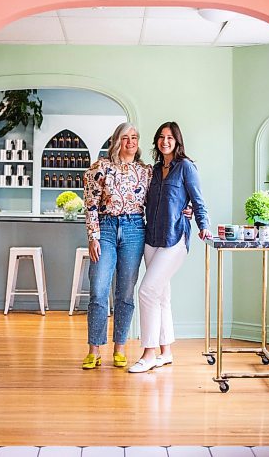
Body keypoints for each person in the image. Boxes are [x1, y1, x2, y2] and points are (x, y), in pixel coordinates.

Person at [129, 121, 212, 373]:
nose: (165, 141)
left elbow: (198, 200)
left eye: (170, 137)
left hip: (175, 238)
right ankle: (166, 352)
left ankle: (148, 353)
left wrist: (203, 225)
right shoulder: (153, 170)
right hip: (151, 238)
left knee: (147, 291)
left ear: (177, 141)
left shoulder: (186, 167)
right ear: (156, 141)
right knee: (161, 296)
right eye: (161, 137)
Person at [82, 122, 152, 369]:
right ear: (116, 141)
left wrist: (187, 209)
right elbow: (90, 203)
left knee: (125, 293)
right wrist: (93, 236)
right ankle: (94, 349)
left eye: (134, 137)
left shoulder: (145, 171)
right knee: (99, 290)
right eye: (125, 137)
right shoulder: (101, 168)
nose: (131, 142)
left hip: (135, 230)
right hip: (107, 229)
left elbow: (163, 198)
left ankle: (119, 347)